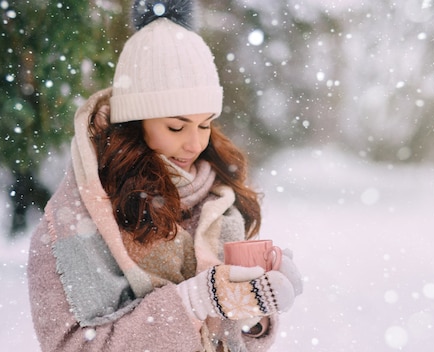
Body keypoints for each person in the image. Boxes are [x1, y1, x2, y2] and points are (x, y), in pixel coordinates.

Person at [27, 0, 303, 351]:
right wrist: (193, 301)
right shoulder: (71, 225)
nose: (194, 144)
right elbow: (74, 346)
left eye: (205, 124)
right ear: (134, 124)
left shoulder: (218, 206)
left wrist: (252, 312)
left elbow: (230, 342)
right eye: (176, 126)